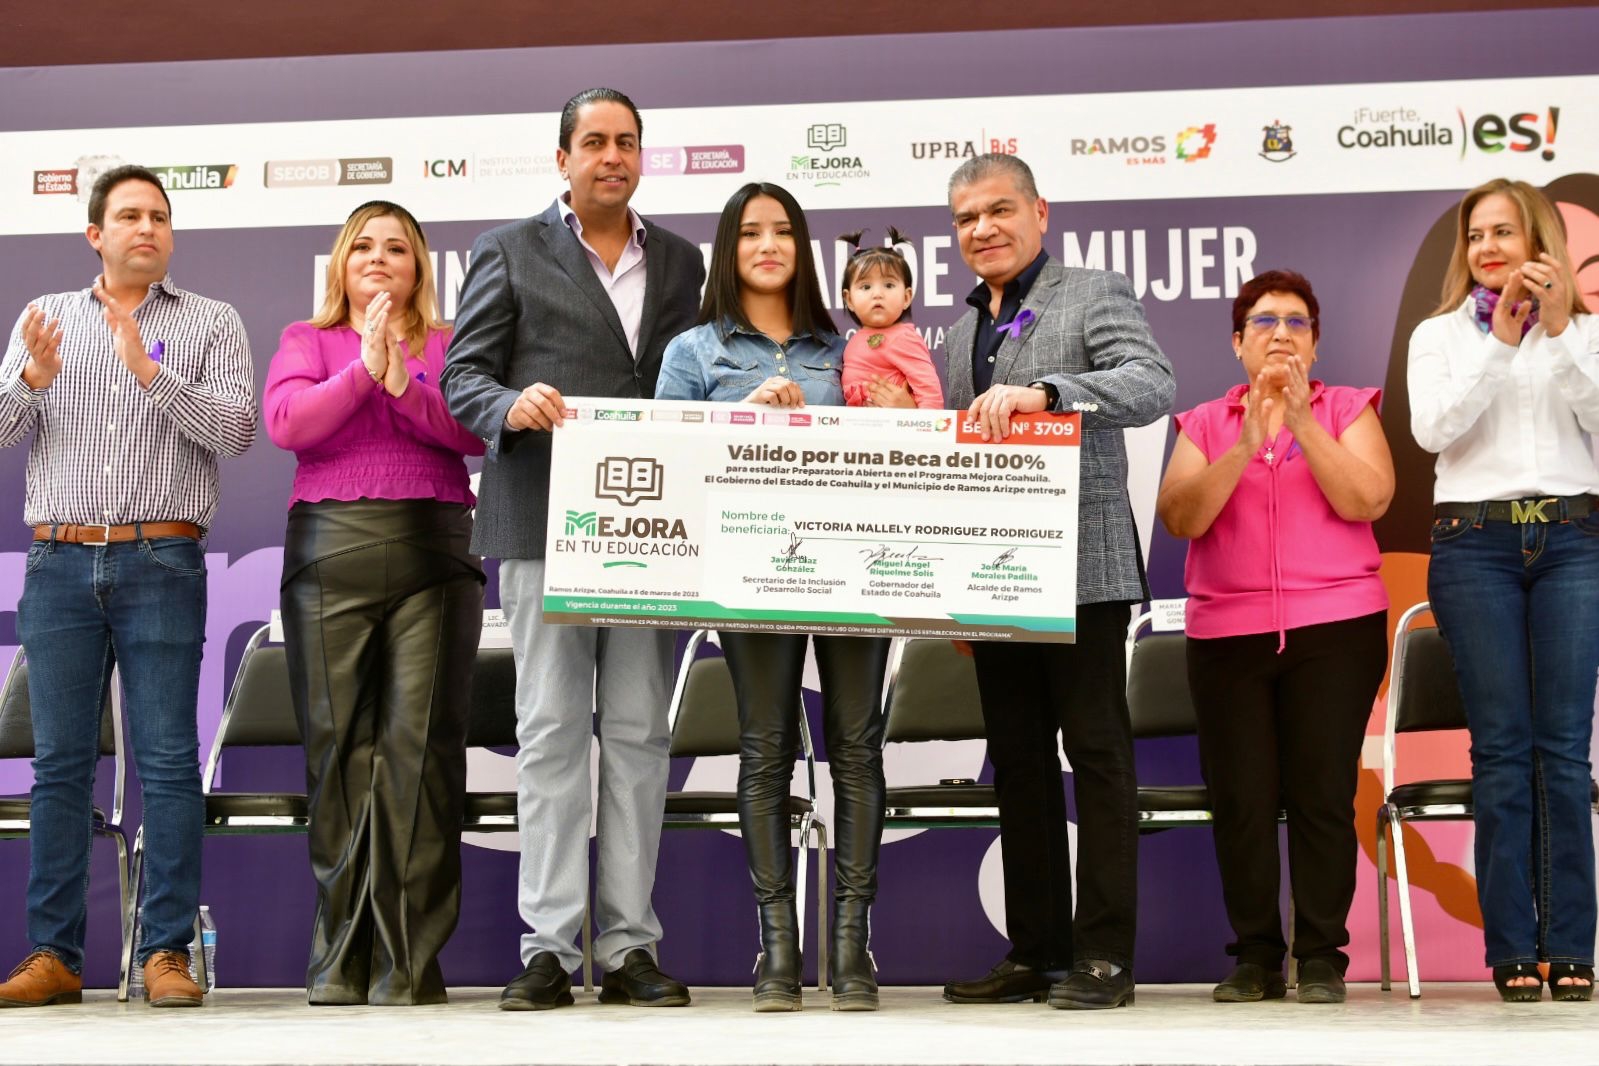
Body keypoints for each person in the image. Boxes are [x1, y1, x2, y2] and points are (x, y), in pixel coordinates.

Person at [440, 87, 705, 1011]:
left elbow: (692, 378)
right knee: (551, 735)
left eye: (626, 142)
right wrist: (507, 405)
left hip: (653, 532)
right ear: (563, 159)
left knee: (637, 735)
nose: (612, 156)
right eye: (594, 142)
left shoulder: (680, 260)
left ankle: (630, 948)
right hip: (543, 520)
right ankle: (549, 948)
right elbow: (462, 375)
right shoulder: (507, 250)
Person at [0, 165, 256, 1008]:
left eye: (159, 217)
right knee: (60, 765)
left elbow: (237, 430)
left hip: (162, 561)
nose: (147, 228)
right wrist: (29, 384)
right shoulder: (46, 318)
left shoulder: (211, 322)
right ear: (95, 235)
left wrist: (148, 369)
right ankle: (55, 955)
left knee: (168, 761)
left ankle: (165, 952)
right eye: (129, 216)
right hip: (60, 562)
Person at [937, 153, 1174, 1011]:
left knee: (1098, 757)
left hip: (1083, 567)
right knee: (1020, 764)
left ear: (1039, 211)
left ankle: (1104, 956)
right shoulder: (957, 332)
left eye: (998, 210)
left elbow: (1151, 384)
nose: (983, 229)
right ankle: (1036, 952)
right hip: (996, 580)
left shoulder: (1092, 292)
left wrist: (1049, 392)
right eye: (966, 218)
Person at [656, 183, 889, 1012]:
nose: (767, 245)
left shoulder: (850, 347)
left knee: (857, 749)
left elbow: (903, 443)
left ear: (802, 246)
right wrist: (742, 418)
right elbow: (665, 460)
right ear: (728, 248)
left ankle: (853, 949)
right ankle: (778, 951)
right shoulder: (693, 350)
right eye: (750, 232)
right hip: (746, 572)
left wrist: (895, 411)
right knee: (763, 751)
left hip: (856, 567)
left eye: (782, 231)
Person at [263, 200, 486, 1006]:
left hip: (434, 554)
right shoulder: (307, 338)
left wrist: (401, 379)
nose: (379, 257)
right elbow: (289, 423)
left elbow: (472, 432)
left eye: (397, 247)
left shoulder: (448, 344)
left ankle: (407, 963)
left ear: (419, 266)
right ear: (340, 264)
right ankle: (341, 959)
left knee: (421, 757)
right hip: (333, 557)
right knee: (339, 755)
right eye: (363, 246)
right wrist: (363, 370)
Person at [1156, 270, 1393, 1005]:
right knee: (1243, 799)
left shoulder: (1348, 408)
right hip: (1227, 634)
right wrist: (1246, 442)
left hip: (1337, 628)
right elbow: (1181, 518)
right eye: (1263, 321)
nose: (1281, 333)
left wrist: (1301, 424)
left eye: (1296, 322)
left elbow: (1369, 498)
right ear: (1237, 342)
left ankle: (1320, 956)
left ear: (1315, 343)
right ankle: (1256, 955)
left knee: (1322, 793)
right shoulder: (1203, 423)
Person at [1409, 177, 1599, 1003]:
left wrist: (1554, 334)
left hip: (1572, 539)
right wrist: (1499, 344)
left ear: (1539, 241)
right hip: (1473, 543)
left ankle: (1571, 945)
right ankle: (1512, 948)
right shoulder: (1439, 334)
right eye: (1475, 234)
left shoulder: (1583, 332)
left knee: (1562, 750)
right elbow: (1432, 430)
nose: (1487, 247)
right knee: (1499, 750)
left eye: (1503, 231)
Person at [837, 228, 943, 409]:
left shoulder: (904, 338)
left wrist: (917, 420)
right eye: (866, 287)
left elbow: (930, 393)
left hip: (897, 426)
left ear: (906, 297)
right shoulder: (853, 340)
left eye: (888, 285)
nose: (877, 294)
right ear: (849, 300)